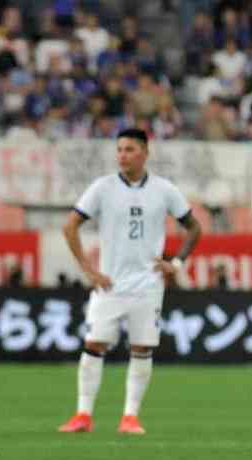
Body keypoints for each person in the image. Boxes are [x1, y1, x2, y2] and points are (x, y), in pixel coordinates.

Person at [58, 128, 201, 436]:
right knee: (94, 345)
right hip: (109, 284)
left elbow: (194, 227)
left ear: (145, 153)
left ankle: (130, 417)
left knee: (141, 349)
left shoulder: (163, 189)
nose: (122, 155)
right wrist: (88, 270)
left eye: (130, 150)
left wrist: (176, 263)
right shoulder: (103, 187)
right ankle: (83, 414)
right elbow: (70, 226)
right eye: (119, 149)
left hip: (148, 285)